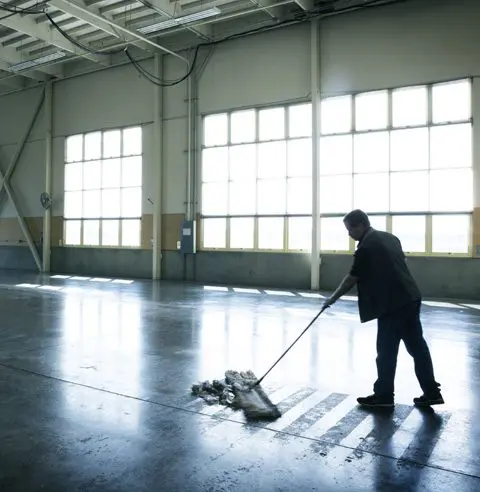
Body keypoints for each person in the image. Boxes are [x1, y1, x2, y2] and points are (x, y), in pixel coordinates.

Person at [322, 209, 443, 408]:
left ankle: (384, 396)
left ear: (361, 225)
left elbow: (352, 277)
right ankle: (432, 392)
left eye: (350, 229)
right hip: (410, 298)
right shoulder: (391, 238)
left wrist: (332, 298)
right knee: (417, 349)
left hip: (392, 304)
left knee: (386, 352)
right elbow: (399, 264)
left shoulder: (366, 247)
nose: (349, 234)